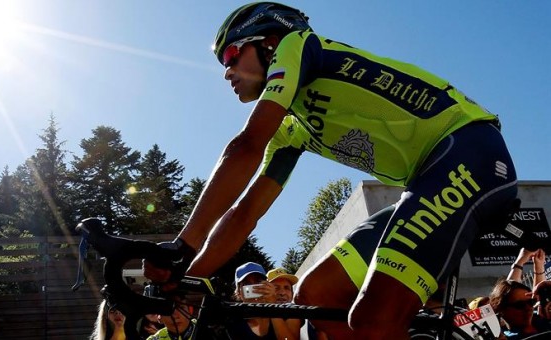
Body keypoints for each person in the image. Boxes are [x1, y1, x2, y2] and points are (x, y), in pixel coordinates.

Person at [137, 1, 519, 339]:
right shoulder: (290, 130)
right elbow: (245, 214)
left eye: (231, 55)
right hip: (425, 181)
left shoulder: (297, 46)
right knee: (314, 295)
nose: (226, 72)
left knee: (373, 318)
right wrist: (191, 273)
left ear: (268, 42)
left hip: (468, 150)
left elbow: (246, 146)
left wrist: (181, 247)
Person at [226, 262, 298, 340]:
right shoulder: (232, 322)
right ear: (238, 292)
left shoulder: (284, 312)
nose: (253, 288)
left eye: (258, 282)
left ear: (267, 284)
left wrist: (272, 306)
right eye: (246, 284)